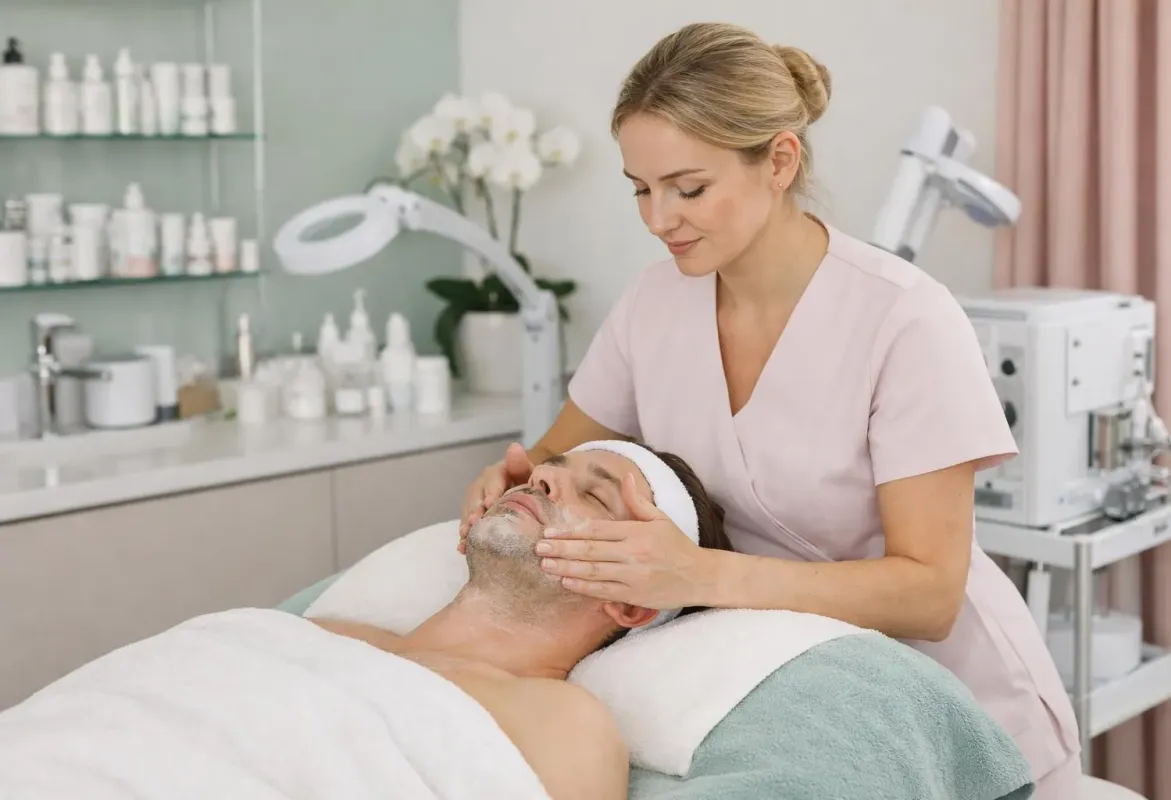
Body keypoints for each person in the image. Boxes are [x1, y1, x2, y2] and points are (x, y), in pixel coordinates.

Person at [458, 21, 1082, 797]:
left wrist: (695, 575)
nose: (659, 220)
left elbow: (929, 595)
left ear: (780, 161)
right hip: (800, 690)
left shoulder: (904, 319)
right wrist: (507, 477)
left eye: (689, 189)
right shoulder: (655, 304)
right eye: (642, 190)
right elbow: (550, 454)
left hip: (955, 703)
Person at [315, 441, 732, 800]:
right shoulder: (322, 635)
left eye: (596, 497)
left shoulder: (561, 726)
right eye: (548, 469)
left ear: (629, 604)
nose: (540, 479)